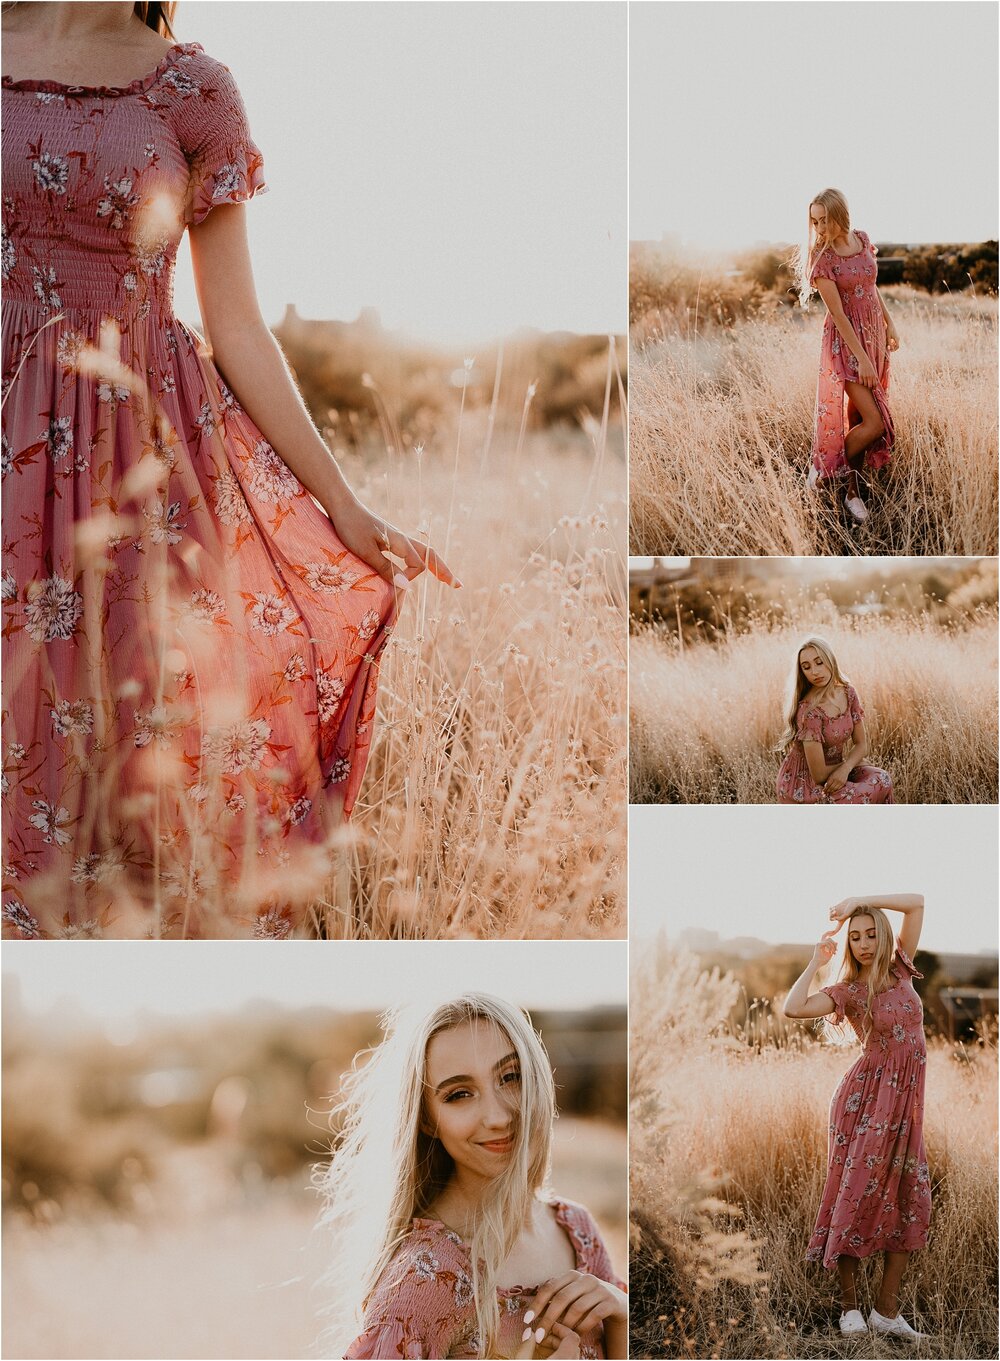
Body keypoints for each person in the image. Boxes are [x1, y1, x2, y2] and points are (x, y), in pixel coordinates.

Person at [1, 2, 457, 939]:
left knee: (136, 760)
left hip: (137, 472)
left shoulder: (194, 91)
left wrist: (344, 501)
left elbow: (237, 326)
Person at [316, 993, 628, 1360]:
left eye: (511, 1077)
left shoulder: (578, 1231)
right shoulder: (424, 1279)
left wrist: (621, 1318)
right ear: (429, 1120)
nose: (497, 1117)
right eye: (460, 1094)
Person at [783, 894, 930, 1341]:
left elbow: (917, 903)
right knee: (854, 1196)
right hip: (863, 1104)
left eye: (870, 934)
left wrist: (862, 900)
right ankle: (849, 1309)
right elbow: (793, 1007)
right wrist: (816, 961)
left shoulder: (902, 966)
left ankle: (886, 1312)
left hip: (907, 1107)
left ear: (883, 935)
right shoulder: (849, 990)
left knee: (910, 1197)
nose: (864, 944)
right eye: (856, 937)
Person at [799, 188, 899, 524]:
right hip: (847, 345)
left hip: (874, 338)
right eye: (815, 221)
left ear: (840, 213)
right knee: (874, 424)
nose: (820, 227)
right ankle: (825, 466)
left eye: (824, 219)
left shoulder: (862, 238)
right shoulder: (822, 258)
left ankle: (853, 494)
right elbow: (839, 316)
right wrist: (864, 361)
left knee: (859, 419)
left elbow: (871, 286)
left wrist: (890, 324)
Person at [775, 637, 893, 804]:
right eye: (806, 667)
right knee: (857, 797)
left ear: (830, 660)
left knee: (883, 778)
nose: (814, 672)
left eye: (819, 662)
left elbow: (861, 744)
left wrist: (847, 767)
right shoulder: (809, 711)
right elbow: (819, 775)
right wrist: (851, 764)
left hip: (838, 769)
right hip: (805, 783)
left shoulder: (848, 693)